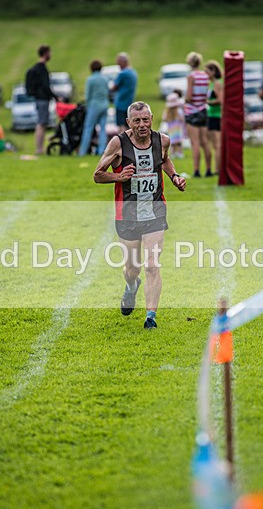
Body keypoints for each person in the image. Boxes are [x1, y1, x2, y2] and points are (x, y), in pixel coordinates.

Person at [93, 101, 186, 330]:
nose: (142, 125)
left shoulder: (162, 140)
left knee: (152, 265)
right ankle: (131, 286)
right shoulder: (118, 144)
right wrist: (119, 177)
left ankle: (150, 317)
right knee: (132, 269)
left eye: (145, 120)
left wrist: (174, 177)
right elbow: (97, 175)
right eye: (137, 121)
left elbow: (164, 159)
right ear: (129, 122)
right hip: (127, 215)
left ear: (151, 119)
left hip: (155, 211)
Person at [184, 51, 212, 176]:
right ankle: (209, 169)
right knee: (205, 142)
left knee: (195, 142)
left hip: (192, 111)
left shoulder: (191, 76)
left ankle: (196, 170)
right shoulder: (205, 76)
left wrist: (185, 99)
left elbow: (189, 97)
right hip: (203, 110)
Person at [25, 44, 54, 155]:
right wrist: (55, 96)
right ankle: (39, 148)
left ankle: (40, 148)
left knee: (42, 123)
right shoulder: (41, 68)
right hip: (42, 99)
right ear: (45, 53)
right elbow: (45, 85)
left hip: (38, 98)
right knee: (41, 123)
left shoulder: (36, 67)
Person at [79, 59, 110, 156]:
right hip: (104, 104)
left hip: (94, 105)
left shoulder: (90, 79)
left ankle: (82, 151)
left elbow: (88, 95)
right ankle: (102, 151)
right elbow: (107, 92)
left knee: (88, 128)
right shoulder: (105, 79)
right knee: (103, 129)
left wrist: (87, 105)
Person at [111, 52, 138, 132]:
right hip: (129, 102)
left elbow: (114, 87)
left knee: (121, 126)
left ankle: (123, 140)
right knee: (129, 125)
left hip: (121, 103)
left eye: (119, 63)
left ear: (123, 62)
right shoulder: (133, 72)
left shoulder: (123, 74)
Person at [205, 60, 223, 170]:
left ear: (213, 71)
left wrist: (207, 102)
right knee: (215, 144)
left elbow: (220, 100)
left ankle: (218, 169)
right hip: (212, 114)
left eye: (207, 71)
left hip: (216, 115)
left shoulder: (217, 83)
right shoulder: (211, 83)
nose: (206, 74)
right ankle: (217, 168)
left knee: (217, 145)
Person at [160, 92, 185, 159]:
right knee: (178, 143)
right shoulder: (177, 111)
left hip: (173, 130)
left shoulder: (172, 112)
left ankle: (175, 153)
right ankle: (178, 153)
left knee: (174, 143)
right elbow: (182, 120)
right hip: (177, 130)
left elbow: (164, 119)